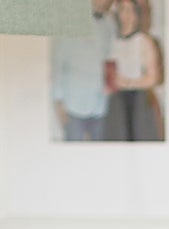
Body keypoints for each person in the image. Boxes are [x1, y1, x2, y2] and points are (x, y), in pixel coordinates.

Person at [50, 0, 114, 142]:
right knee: (74, 156)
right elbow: (58, 64)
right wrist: (58, 102)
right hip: (73, 104)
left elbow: (110, 59)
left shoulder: (110, 25)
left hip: (101, 105)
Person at [104, 0, 164, 143]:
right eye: (123, 10)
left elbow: (154, 78)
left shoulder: (144, 41)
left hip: (139, 102)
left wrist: (129, 83)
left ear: (137, 15)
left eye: (131, 10)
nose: (127, 15)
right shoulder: (112, 41)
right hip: (116, 103)